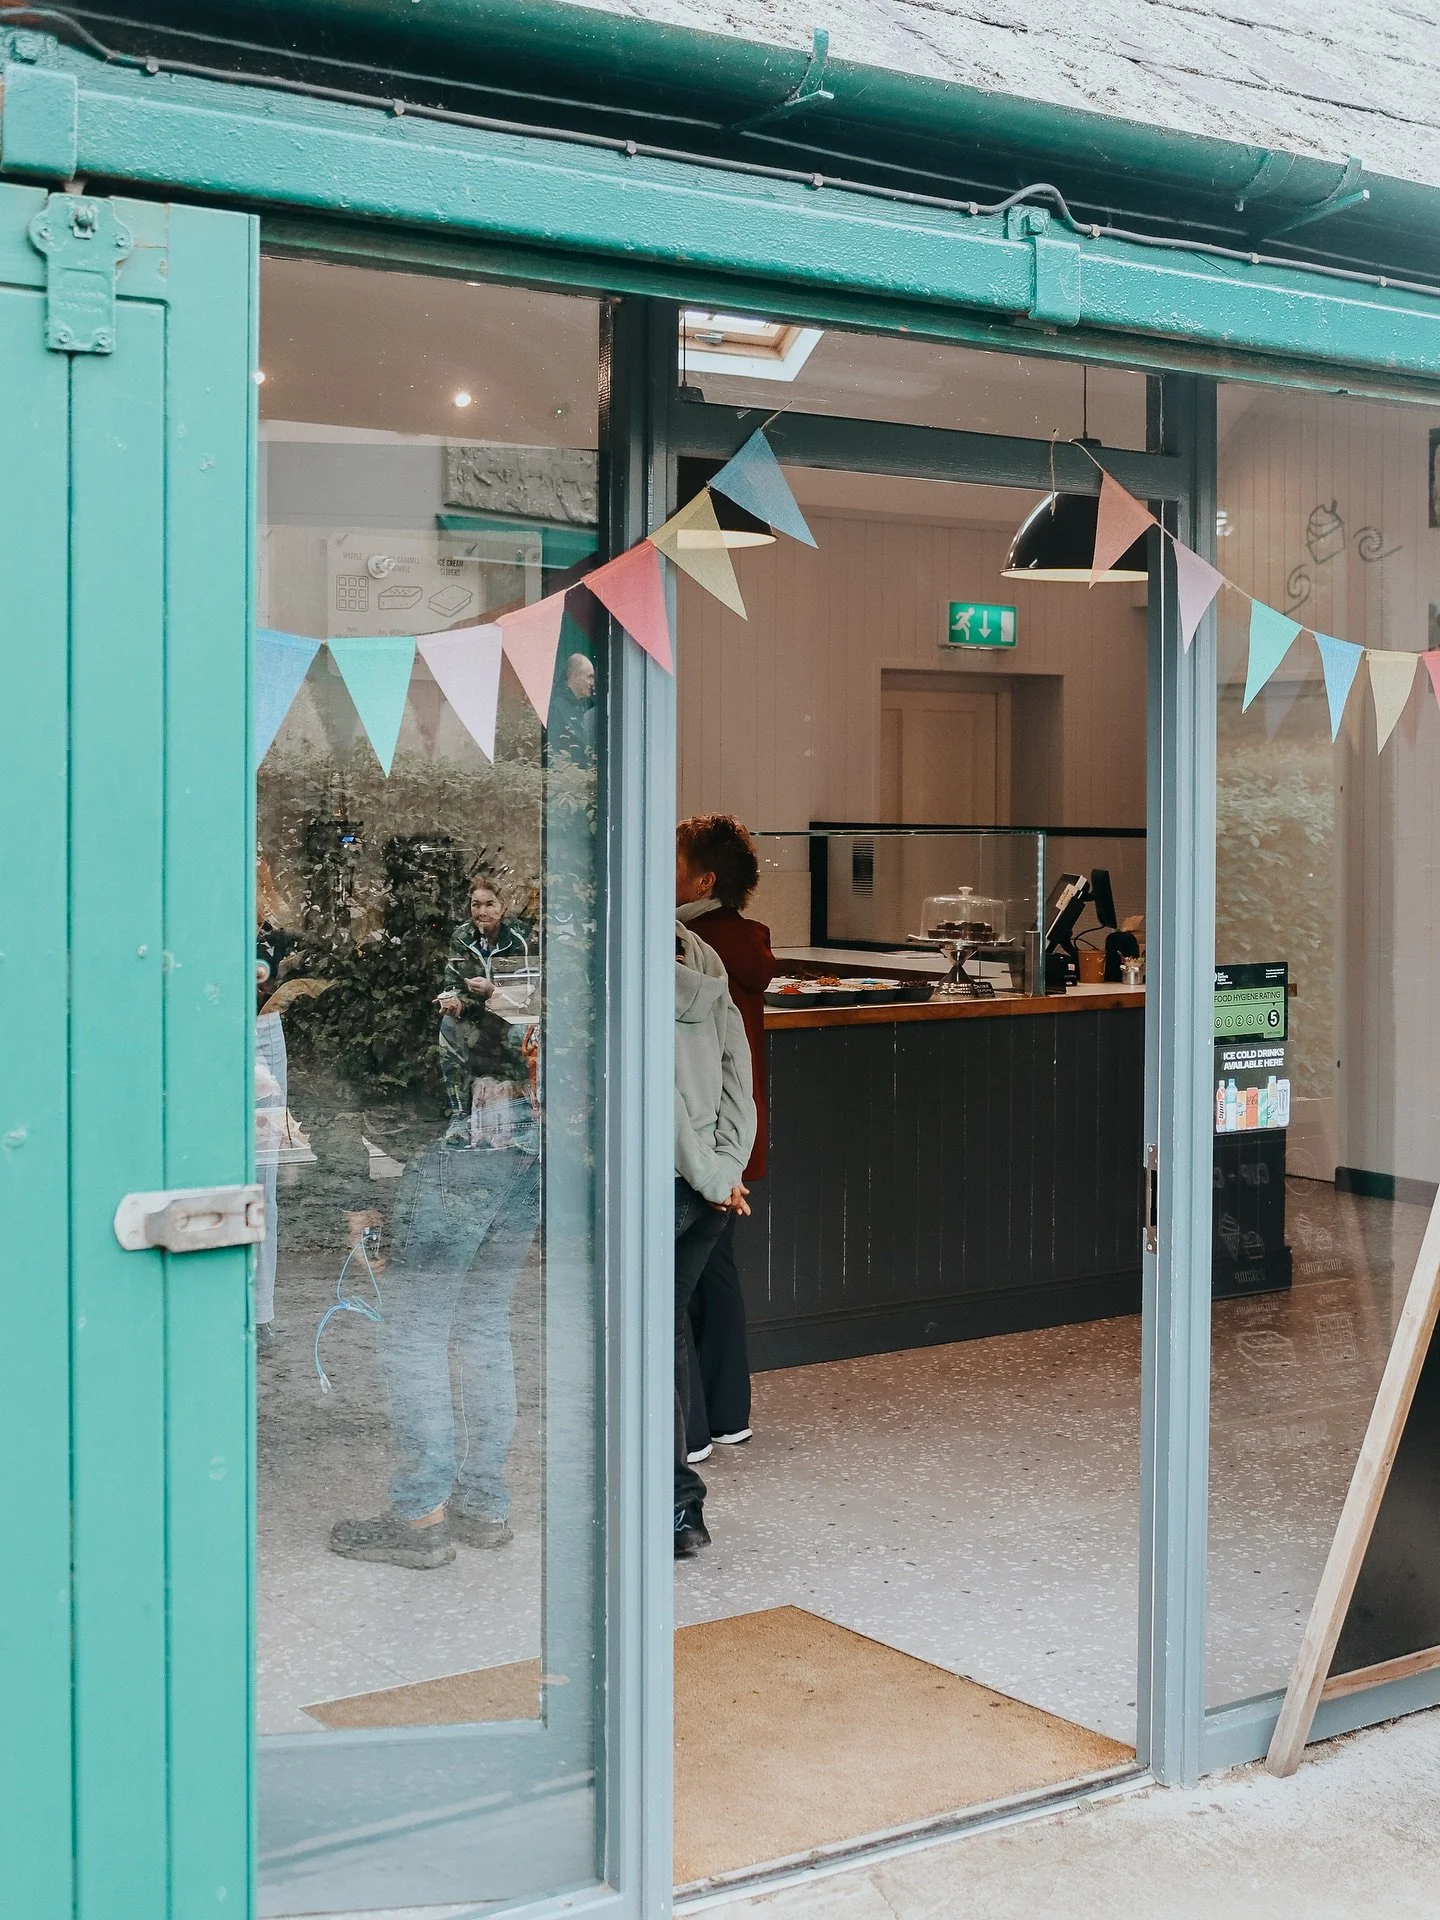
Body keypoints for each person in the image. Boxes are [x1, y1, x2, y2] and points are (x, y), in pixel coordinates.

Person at [675, 817, 776, 1459]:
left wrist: (712, 1169)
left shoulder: (686, 951)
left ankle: (693, 1427)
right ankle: (728, 1411)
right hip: (735, 1138)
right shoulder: (745, 947)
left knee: (683, 1291)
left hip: (696, 1148)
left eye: (674, 861)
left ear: (704, 881)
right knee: (717, 1273)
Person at [674, 913, 756, 1558]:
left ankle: (675, 1501)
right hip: (712, 1183)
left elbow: (657, 1096)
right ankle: (680, 1505)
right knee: (665, 1328)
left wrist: (707, 1176)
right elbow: (738, 1074)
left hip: (669, 1180)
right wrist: (728, 1169)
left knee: (646, 1338)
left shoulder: (625, 967)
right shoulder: (702, 957)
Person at [438, 878, 533, 1143]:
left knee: (524, 1035)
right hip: (479, 1014)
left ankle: (532, 1114)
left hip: (515, 1014)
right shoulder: (462, 937)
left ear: (503, 907)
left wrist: (493, 992)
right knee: (448, 1028)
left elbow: (530, 993)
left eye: (490, 904)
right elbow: (453, 983)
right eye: (476, 904)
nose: (482, 912)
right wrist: (454, 1001)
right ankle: (459, 1116)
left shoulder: (521, 937)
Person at [549, 650, 596, 765]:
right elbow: (553, 750)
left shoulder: (585, 707)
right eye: (589, 677)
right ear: (575, 676)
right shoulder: (557, 708)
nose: (592, 683)